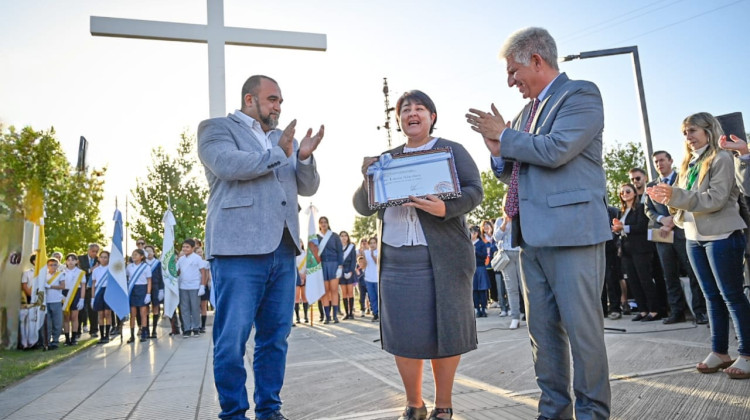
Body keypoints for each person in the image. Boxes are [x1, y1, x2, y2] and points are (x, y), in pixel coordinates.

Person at [466, 27, 611, 419]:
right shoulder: (523, 114)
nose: (511, 81)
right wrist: (497, 150)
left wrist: (506, 136)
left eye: (514, 71)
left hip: (573, 234)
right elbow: (512, 169)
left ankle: (593, 413)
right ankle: (553, 412)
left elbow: (557, 149)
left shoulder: (580, 94)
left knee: (583, 335)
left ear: (536, 60)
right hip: (530, 239)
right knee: (542, 337)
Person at [197, 74, 322, 420]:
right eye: (272, 99)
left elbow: (307, 187)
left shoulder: (284, 141)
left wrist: (306, 158)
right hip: (237, 252)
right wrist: (279, 152)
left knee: (275, 338)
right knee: (231, 339)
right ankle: (234, 413)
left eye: (280, 100)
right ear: (250, 100)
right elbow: (229, 166)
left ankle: (270, 410)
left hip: (282, 250)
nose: (278, 106)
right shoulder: (216, 129)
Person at [355, 89, 483, 420]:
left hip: (444, 258)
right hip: (397, 260)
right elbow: (362, 206)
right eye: (405, 109)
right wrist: (366, 178)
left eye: (420, 108)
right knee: (404, 333)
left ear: (432, 116)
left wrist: (446, 208)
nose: (412, 113)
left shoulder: (451, 150)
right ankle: (414, 403)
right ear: (399, 120)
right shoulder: (386, 158)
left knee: (446, 330)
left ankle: (444, 404)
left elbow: (474, 191)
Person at [647, 112, 750, 380]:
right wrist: (666, 197)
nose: (688, 137)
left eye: (692, 131)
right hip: (694, 236)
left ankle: (747, 353)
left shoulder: (723, 157)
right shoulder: (687, 163)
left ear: (708, 130)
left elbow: (715, 199)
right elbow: (681, 200)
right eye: (684, 133)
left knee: (732, 296)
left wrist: (676, 195)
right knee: (711, 297)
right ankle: (720, 352)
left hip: (722, 234)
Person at [644, 150, 708, 325]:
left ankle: (699, 311)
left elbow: (689, 198)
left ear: (671, 161)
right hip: (663, 236)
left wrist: (672, 220)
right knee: (669, 275)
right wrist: (661, 219)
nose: (659, 164)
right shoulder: (651, 185)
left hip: (683, 232)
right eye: (656, 162)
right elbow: (648, 209)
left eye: (662, 160)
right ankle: (677, 312)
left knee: (692, 272)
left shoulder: (683, 178)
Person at [612, 183, 661, 321]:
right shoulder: (621, 211)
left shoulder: (640, 208)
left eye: (628, 191)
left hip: (641, 249)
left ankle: (654, 310)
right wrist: (617, 228)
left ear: (634, 193)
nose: (625, 194)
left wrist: (623, 227)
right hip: (626, 249)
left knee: (645, 279)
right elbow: (622, 229)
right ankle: (643, 310)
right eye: (622, 193)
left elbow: (641, 226)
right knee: (633, 281)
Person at [494, 209, 522, 330]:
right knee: (511, 288)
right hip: (506, 255)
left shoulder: (521, 218)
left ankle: (531, 315)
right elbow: (496, 237)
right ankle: (515, 317)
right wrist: (505, 223)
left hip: (521, 253)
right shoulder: (500, 220)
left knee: (525, 287)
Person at [176, 239, 207, 338]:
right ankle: (187, 329)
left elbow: (203, 272)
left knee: (195, 308)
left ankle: (196, 328)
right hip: (183, 286)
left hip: (194, 286)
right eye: (183, 247)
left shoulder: (197, 258)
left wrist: (202, 286)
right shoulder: (181, 259)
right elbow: (177, 271)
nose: (185, 248)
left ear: (193, 248)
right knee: (184, 308)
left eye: (187, 247)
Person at [317, 216, 343, 323]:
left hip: (334, 264)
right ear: (319, 224)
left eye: (325, 222)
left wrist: (340, 266)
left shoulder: (334, 236)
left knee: (334, 290)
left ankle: (335, 316)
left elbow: (340, 252)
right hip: (322, 265)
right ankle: (327, 316)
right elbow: (312, 254)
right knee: (324, 291)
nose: (323, 224)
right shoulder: (316, 237)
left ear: (328, 223)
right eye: (321, 222)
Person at [126, 249, 152, 343]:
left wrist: (148, 294)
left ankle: (144, 333)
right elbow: (126, 278)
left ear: (141, 256)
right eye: (133, 255)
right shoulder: (129, 267)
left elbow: (149, 281)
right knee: (132, 314)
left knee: (143, 313)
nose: (134, 256)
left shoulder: (146, 267)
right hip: (132, 290)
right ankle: (132, 335)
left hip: (142, 289)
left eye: (136, 255)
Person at [61, 253, 85, 345]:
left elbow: (83, 286)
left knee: (74, 317)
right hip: (64, 293)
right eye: (68, 260)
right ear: (66, 261)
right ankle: (67, 339)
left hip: (76, 293)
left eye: (73, 260)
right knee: (66, 317)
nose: (70, 262)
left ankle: (74, 338)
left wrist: (82, 299)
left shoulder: (80, 272)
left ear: (76, 261)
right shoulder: (61, 271)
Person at [42, 258, 65, 350]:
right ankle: (46, 342)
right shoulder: (44, 275)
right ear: (47, 266)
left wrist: (50, 286)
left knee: (57, 322)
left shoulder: (60, 274)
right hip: (46, 301)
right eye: (50, 265)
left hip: (56, 300)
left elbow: (63, 286)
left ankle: (55, 341)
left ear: (58, 266)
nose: (53, 266)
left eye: (55, 265)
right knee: (47, 323)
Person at [78, 243, 100, 339]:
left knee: (93, 310)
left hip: (93, 288)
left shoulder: (99, 260)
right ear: (88, 250)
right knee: (80, 310)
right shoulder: (81, 259)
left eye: (96, 251)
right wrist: (91, 269)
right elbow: (81, 271)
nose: (94, 253)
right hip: (82, 288)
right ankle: (77, 331)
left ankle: (94, 330)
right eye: (93, 251)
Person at [92, 250, 112, 344]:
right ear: (99, 258)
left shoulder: (111, 269)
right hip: (99, 291)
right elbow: (93, 284)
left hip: (108, 291)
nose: (103, 259)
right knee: (100, 314)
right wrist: (93, 297)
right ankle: (102, 335)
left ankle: (107, 335)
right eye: (102, 257)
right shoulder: (96, 270)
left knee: (107, 313)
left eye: (105, 257)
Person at [144, 245, 165, 338]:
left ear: (153, 252)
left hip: (156, 286)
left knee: (155, 307)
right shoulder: (143, 264)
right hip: (144, 287)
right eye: (146, 251)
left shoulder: (158, 263)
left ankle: (154, 330)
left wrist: (161, 289)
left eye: (150, 251)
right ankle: (146, 329)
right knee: (145, 309)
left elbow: (161, 277)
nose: (148, 253)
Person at [470, 226, 491, 318]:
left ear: (476, 234)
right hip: (472, 268)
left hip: (480, 267)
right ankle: (476, 309)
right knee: (474, 290)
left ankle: (484, 308)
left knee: (482, 289)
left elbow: (484, 256)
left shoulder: (481, 244)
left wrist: (475, 252)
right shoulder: (468, 243)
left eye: (472, 233)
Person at [339, 231, 357, 320]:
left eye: (345, 236)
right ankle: (346, 313)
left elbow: (354, 261)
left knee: (350, 292)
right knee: (344, 293)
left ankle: (351, 313)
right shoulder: (338, 248)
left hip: (349, 271)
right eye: (342, 236)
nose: (344, 237)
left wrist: (351, 272)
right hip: (341, 272)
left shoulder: (351, 247)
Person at [195, 245, 212, 333]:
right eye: (198, 252)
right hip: (194, 286)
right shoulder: (194, 262)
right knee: (195, 307)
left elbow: (206, 275)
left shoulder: (205, 263)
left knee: (203, 306)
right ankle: (196, 325)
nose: (200, 254)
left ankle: (203, 326)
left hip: (203, 287)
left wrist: (203, 285)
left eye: (201, 252)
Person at [362, 237, 379, 322]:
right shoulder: (366, 252)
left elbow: (378, 263)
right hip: (368, 278)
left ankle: (381, 313)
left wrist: (373, 256)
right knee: (372, 297)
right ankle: (375, 313)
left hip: (377, 278)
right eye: (371, 243)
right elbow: (363, 265)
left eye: (374, 243)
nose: (372, 245)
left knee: (378, 296)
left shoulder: (379, 252)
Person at [294, 241, 309, 324]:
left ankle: (306, 316)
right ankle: (297, 317)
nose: (299, 243)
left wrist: (305, 274)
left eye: (300, 242)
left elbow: (309, 265)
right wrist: (299, 274)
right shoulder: (294, 254)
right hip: (296, 276)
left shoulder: (306, 254)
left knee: (304, 297)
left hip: (305, 276)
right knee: (296, 297)